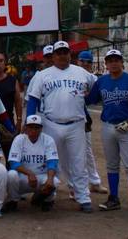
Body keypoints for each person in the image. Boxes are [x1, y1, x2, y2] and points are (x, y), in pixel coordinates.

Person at [26, 40, 96, 213]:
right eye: (59, 52)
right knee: (52, 162)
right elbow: (33, 99)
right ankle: (49, 196)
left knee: (79, 162)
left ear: (70, 54)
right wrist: (30, 121)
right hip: (51, 123)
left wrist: (85, 99)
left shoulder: (82, 72)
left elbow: (98, 88)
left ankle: (83, 197)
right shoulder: (43, 75)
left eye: (65, 52)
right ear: (54, 55)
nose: (62, 55)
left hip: (76, 123)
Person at [86, 49, 128, 218]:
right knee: (112, 165)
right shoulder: (102, 81)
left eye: (116, 60)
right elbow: (91, 99)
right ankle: (113, 198)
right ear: (106, 63)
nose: (113, 63)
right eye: (110, 60)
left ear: (121, 62)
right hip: (108, 126)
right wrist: (79, 93)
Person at [5, 114, 60, 212]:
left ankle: (47, 200)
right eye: (30, 127)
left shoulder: (48, 140)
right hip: (24, 178)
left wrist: (50, 179)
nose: (33, 130)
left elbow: (52, 161)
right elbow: (13, 163)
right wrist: (29, 173)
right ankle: (13, 201)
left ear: (41, 128)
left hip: (41, 177)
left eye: (36, 127)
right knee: (11, 175)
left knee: (54, 182)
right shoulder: (19, 139)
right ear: (25, 128)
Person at [76, 50, 109, 195]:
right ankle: (71, 185)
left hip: (82, 117)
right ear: (77, 61)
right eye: (82, 61)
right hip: (62, 117)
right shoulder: (72, 73)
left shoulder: (92, 78)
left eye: (88, 62)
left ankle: (94, 182)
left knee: (87, 151)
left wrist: (90, 96)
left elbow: (100, 94)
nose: (85, 64)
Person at [0, 51, 23, 136]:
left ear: (5, 63)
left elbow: (18, 102)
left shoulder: (13, 81)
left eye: (1, 60)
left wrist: (19, 121)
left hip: (8, 124)